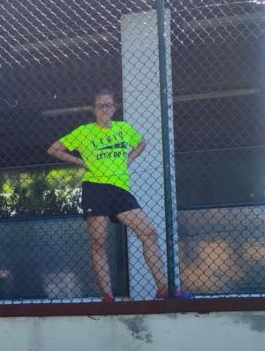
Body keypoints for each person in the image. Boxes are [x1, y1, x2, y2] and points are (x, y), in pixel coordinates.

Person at [47, 89, 189, 302]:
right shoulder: (84, 131)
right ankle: (108, 297)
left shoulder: (123, 128)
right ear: (94, 109)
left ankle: (163, 289)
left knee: (149, 233)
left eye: (108, 105)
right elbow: (54, 149)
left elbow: (141, 143)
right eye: (100, 105)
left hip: (121, 190)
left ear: (114, 108)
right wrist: (81, 162)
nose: (104, 109)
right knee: (99, 242)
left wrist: (128, 160)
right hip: (96, 188)